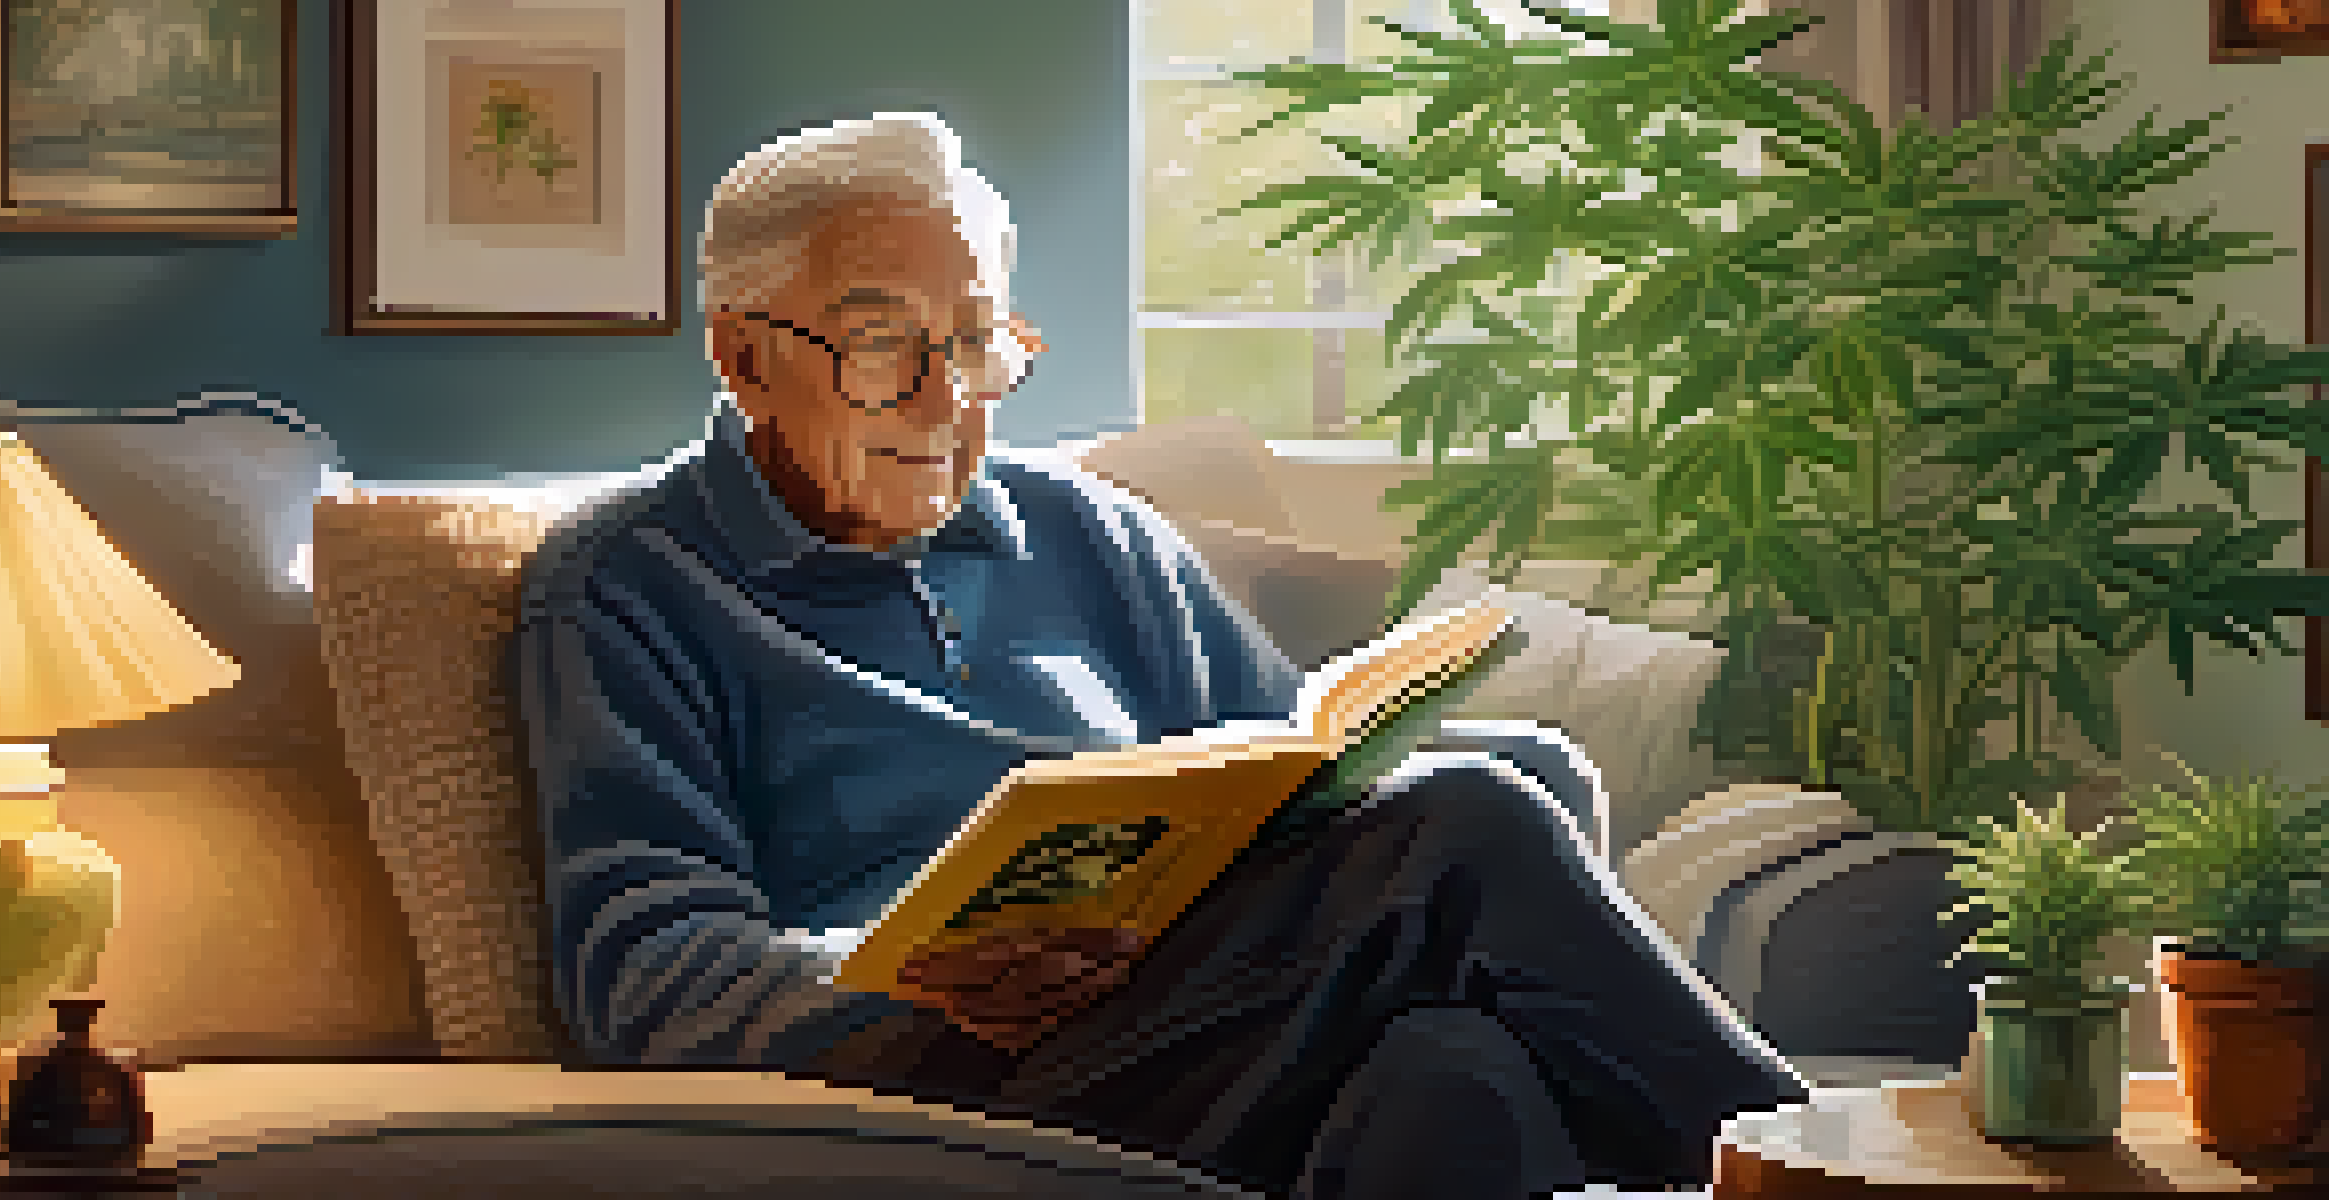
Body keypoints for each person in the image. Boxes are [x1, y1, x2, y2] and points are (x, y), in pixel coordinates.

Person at [516, 112, 1809, 1198]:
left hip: (1208, 1030)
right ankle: (1830, 1179)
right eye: (882, 348)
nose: (945, 401)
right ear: (744, 358)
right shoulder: (627, 587)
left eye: (973, 343)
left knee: (1454, 1063)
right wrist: (899, 975)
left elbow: (1286, 784)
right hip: (942, 1072)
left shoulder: (1089, 534)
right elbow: (646, 975)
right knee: (1471, 825)